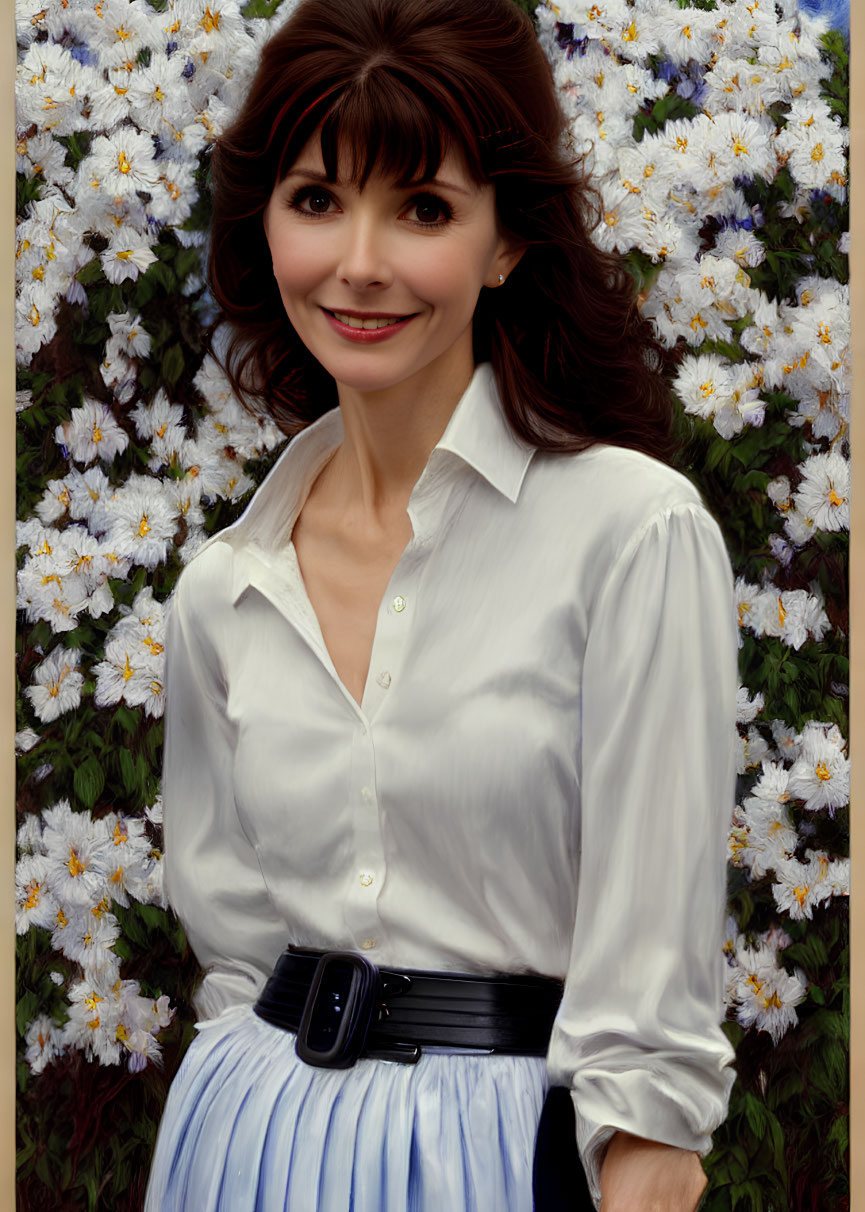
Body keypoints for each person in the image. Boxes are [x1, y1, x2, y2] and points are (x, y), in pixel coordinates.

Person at [144, 0, 738, 1209]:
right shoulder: (223, 591)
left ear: (505, 240)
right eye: (316, 199)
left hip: (501, 1158)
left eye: (421, 208)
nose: (359, 261)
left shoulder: (632, 534)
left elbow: (650, 1059)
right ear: (265, 225)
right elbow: (235, 960)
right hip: (246, 1148)